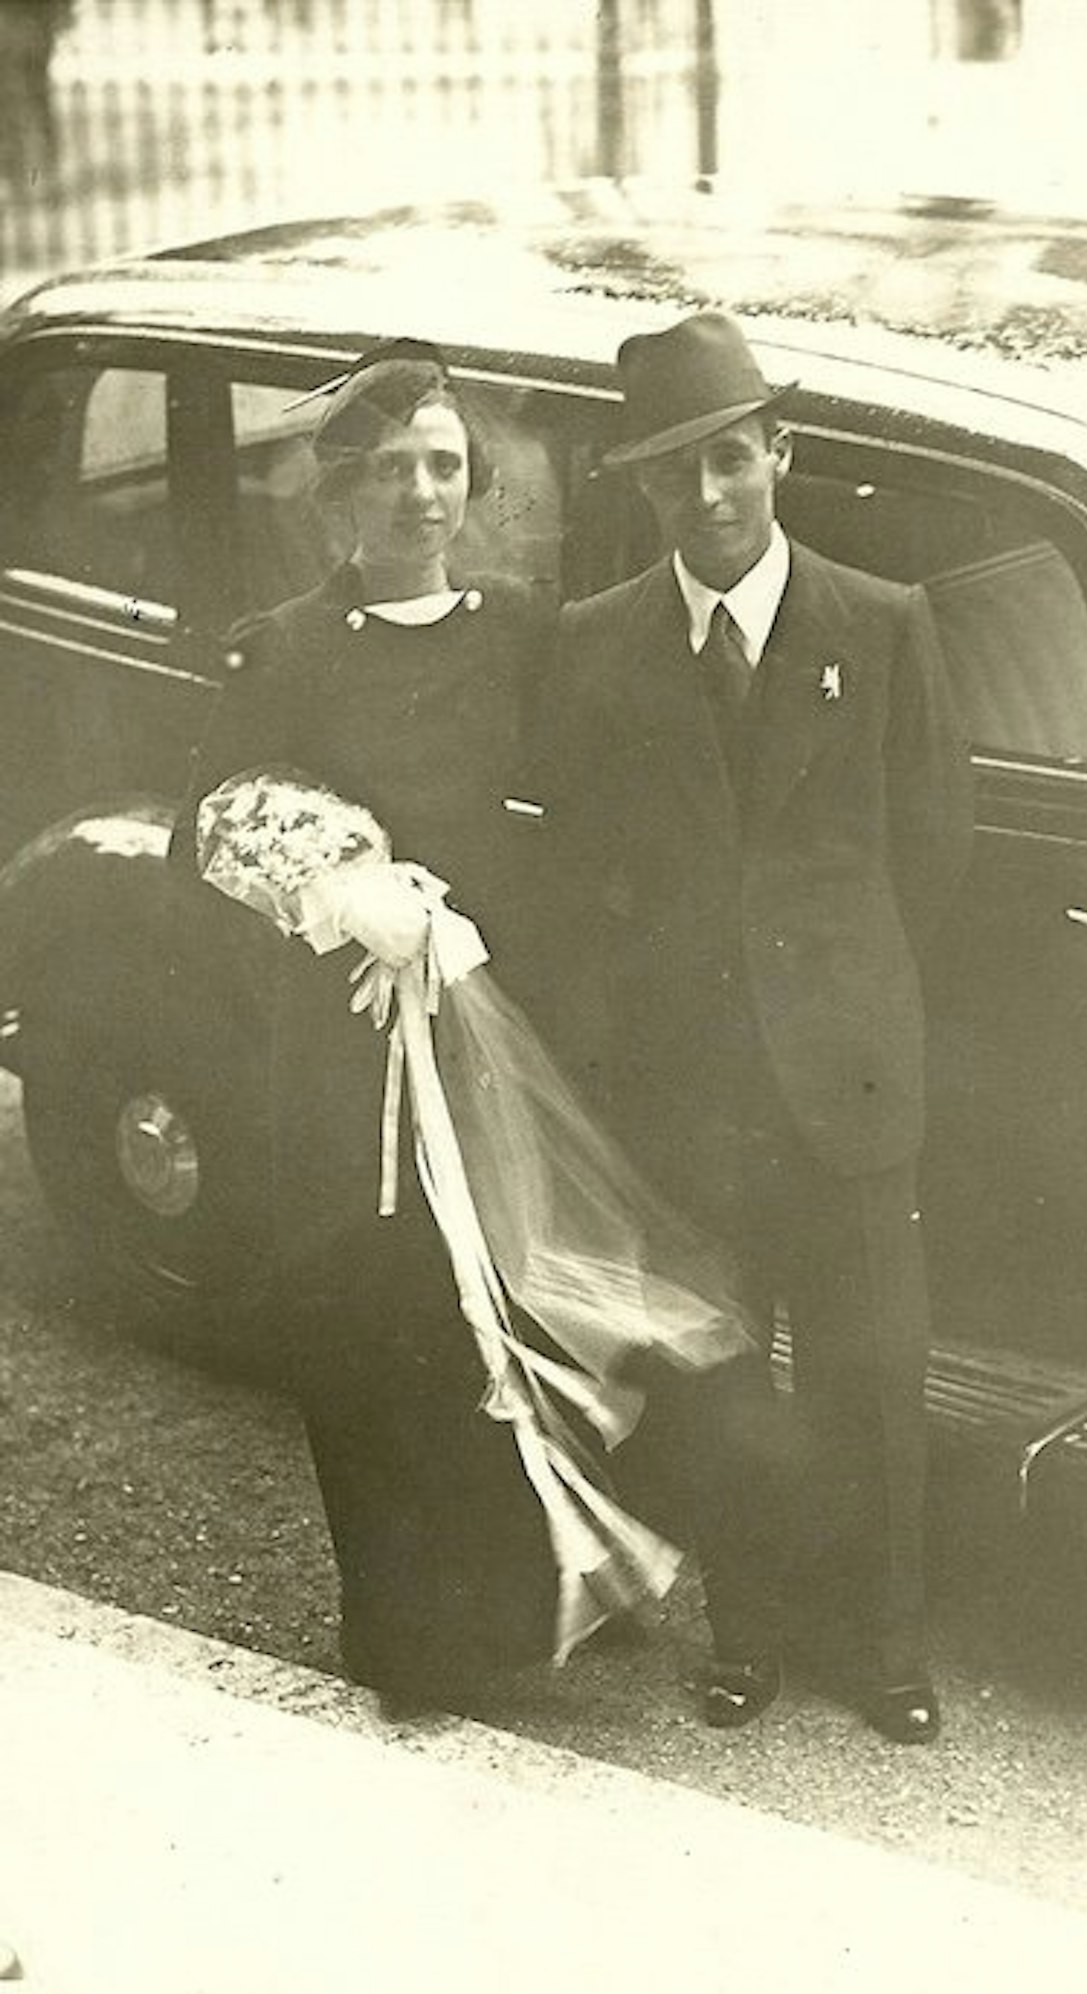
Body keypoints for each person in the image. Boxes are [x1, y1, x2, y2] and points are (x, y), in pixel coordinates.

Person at [170, 342, 737, 1713]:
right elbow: (214, 823)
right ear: (342, 498)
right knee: (367, 1333)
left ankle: (526, 1611)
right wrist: (336, 884)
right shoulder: (289, 648)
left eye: (442, 466)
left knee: (506, 1321)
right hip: (342, 1056)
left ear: (474, 484)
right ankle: (406, 1642)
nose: (420, 494)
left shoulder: (523, 633)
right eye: (388, 472)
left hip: (498, 1039)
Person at [542, 311, 973, 1743]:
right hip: (697, 1095)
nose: (711, 495)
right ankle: (753, 1633)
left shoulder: (883, 623)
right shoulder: (599, 648)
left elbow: (931, 856)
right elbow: (592, 873)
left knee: (871, 1371)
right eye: (676, 476)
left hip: (847, 1080)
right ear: (645, 494)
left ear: (779, 453)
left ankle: (889, 1648)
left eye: (731, 458)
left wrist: (855, 1014)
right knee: (723, 1384)